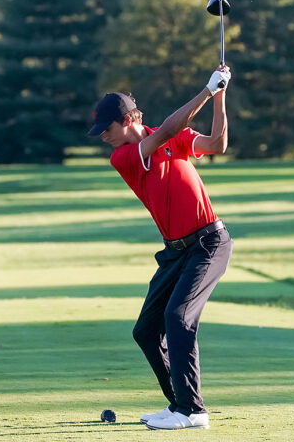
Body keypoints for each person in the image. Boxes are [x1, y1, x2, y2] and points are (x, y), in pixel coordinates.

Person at [87, 66, 234, 430]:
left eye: (108, 128)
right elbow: (168, 129)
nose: (103, 136)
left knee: (178, 317)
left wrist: (220, 96)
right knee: (147, 330)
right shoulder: (123, 156)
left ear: (129, 119)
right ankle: (179, 403)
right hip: (175, 252)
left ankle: (192, 412)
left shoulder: (170, 138)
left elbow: (217, 144)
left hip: (209, 243)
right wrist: (206, 90)